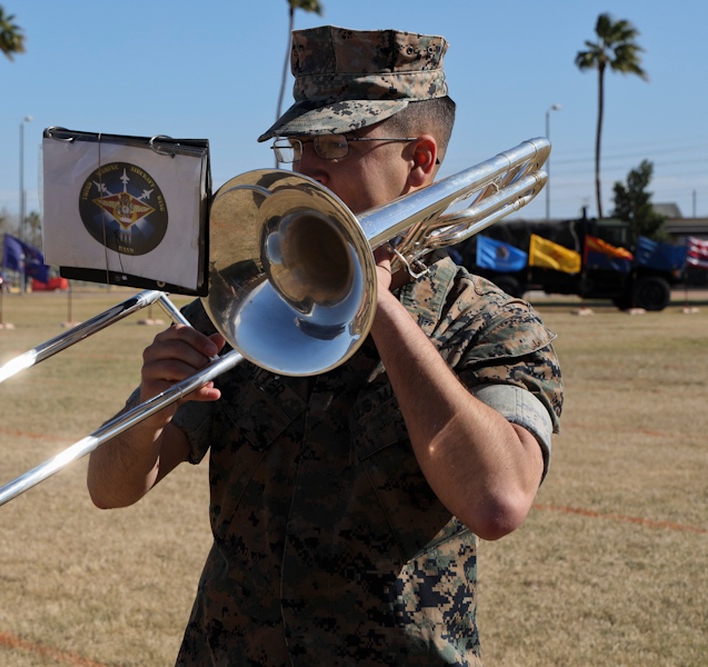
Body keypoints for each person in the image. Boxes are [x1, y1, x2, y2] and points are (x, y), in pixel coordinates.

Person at [87, 25, 563, 666]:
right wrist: (150, 407)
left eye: (338, 141)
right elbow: (111, 488)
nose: (310, 166)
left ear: (419, 161)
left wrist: (379, 304)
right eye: (300, 143)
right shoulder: (249, 296)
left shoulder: (492, 326)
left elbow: (498, 501)